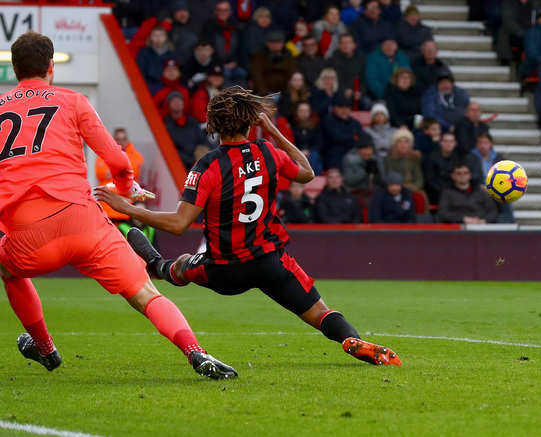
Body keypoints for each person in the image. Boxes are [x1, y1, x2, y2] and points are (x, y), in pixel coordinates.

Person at [97, 88, 399, 366]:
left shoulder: (208, 165)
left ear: (213, 124)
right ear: (250, 122)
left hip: (224, 268)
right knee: (320, 312)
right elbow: (307, 173)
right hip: (270, 262)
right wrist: (272, 131)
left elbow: (178, 224)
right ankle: (350, 339)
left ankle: (155, 264)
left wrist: (127, 208)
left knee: (180, 266)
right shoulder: (268, 151)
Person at [0, 32, 234, 379]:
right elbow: (117, 160)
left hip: (28, 234)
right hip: (84, 222)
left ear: (14, 68)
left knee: (8, 271)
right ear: (51, 67)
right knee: (144, 293)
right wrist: (126, 191)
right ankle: (195, 351)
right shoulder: (73, 101)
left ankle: (45, 348)